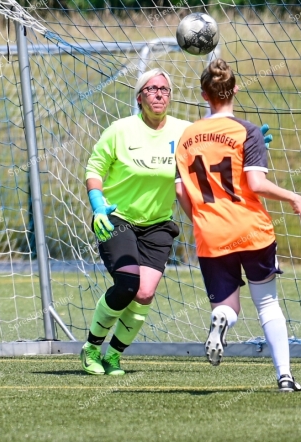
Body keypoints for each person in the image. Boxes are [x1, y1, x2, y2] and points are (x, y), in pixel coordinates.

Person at [175, 58, 301, 392]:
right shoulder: (246, 131)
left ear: (204, 95)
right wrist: (292, 196)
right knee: (267, 304)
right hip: (251, 230)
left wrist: (202, 220)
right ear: (234, 89)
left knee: (227, 305)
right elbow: (256, 184)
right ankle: (285, 377)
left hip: (211, 234)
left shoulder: (186, 136)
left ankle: (222, 322)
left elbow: (180, 188)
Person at [80, 68, 189, 375]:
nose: (159, 94)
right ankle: (91, 347)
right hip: (118, 219)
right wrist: (98, 205)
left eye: (164, 90)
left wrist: (247, 144)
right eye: (152, 89)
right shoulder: (120, 130)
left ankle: (113, 355)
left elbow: (214, 142)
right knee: (128, 284)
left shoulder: (183, 132)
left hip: (158, 224)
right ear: (140, 97)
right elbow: (94, 167)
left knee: (144, 293)